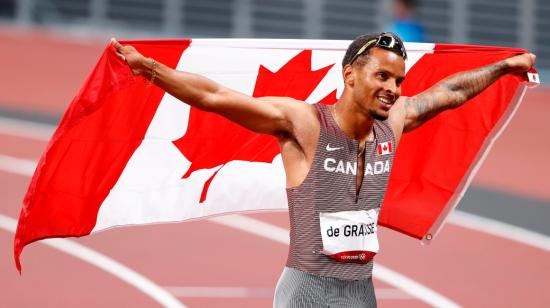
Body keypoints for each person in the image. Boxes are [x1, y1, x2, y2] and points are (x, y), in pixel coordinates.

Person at [112, 33, 535, 307]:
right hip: (306, 292)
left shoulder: (394, 122)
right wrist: (149, 69)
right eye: (382, 76)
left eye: (399, 81)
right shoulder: (305, 124)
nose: (392, 88)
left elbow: (450, 91)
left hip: (361, 292)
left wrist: (502, 68)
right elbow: (216, 96)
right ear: (350, 75)